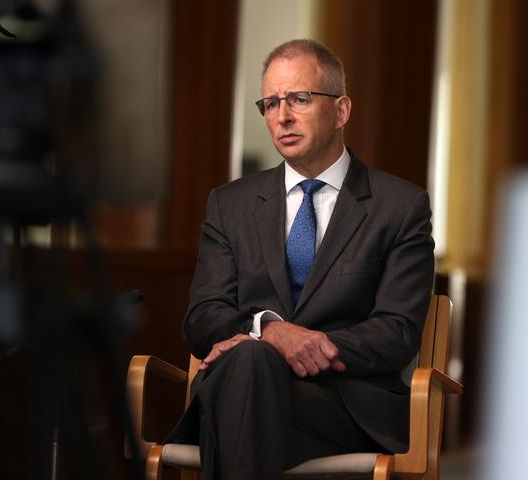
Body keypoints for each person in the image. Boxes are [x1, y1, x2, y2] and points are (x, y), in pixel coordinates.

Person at [165, 39, 435, 480]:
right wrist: (272, 332)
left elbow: (397, 331)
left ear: (342, 110)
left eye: (300, 99)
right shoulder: (229, 205)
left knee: (239, 402)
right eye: (270, 103)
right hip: (247, 390)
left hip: (342, 405)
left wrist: (307, 347)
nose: (282, 116)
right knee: (251, 373)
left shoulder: (400, 206)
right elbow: (202, 318)